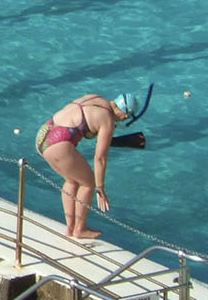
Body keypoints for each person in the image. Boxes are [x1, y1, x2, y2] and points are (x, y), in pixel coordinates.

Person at [34, 91, 136, 241]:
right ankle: (79, 229)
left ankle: (70, 227)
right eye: (126, 116)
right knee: (88, 183)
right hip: (58, 142)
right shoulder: (107, 120)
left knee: (71, 181)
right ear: (122, 111)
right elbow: (99, 158)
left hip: (43, 134)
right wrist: (100, 188)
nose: (124, 119)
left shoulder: (95, 97)